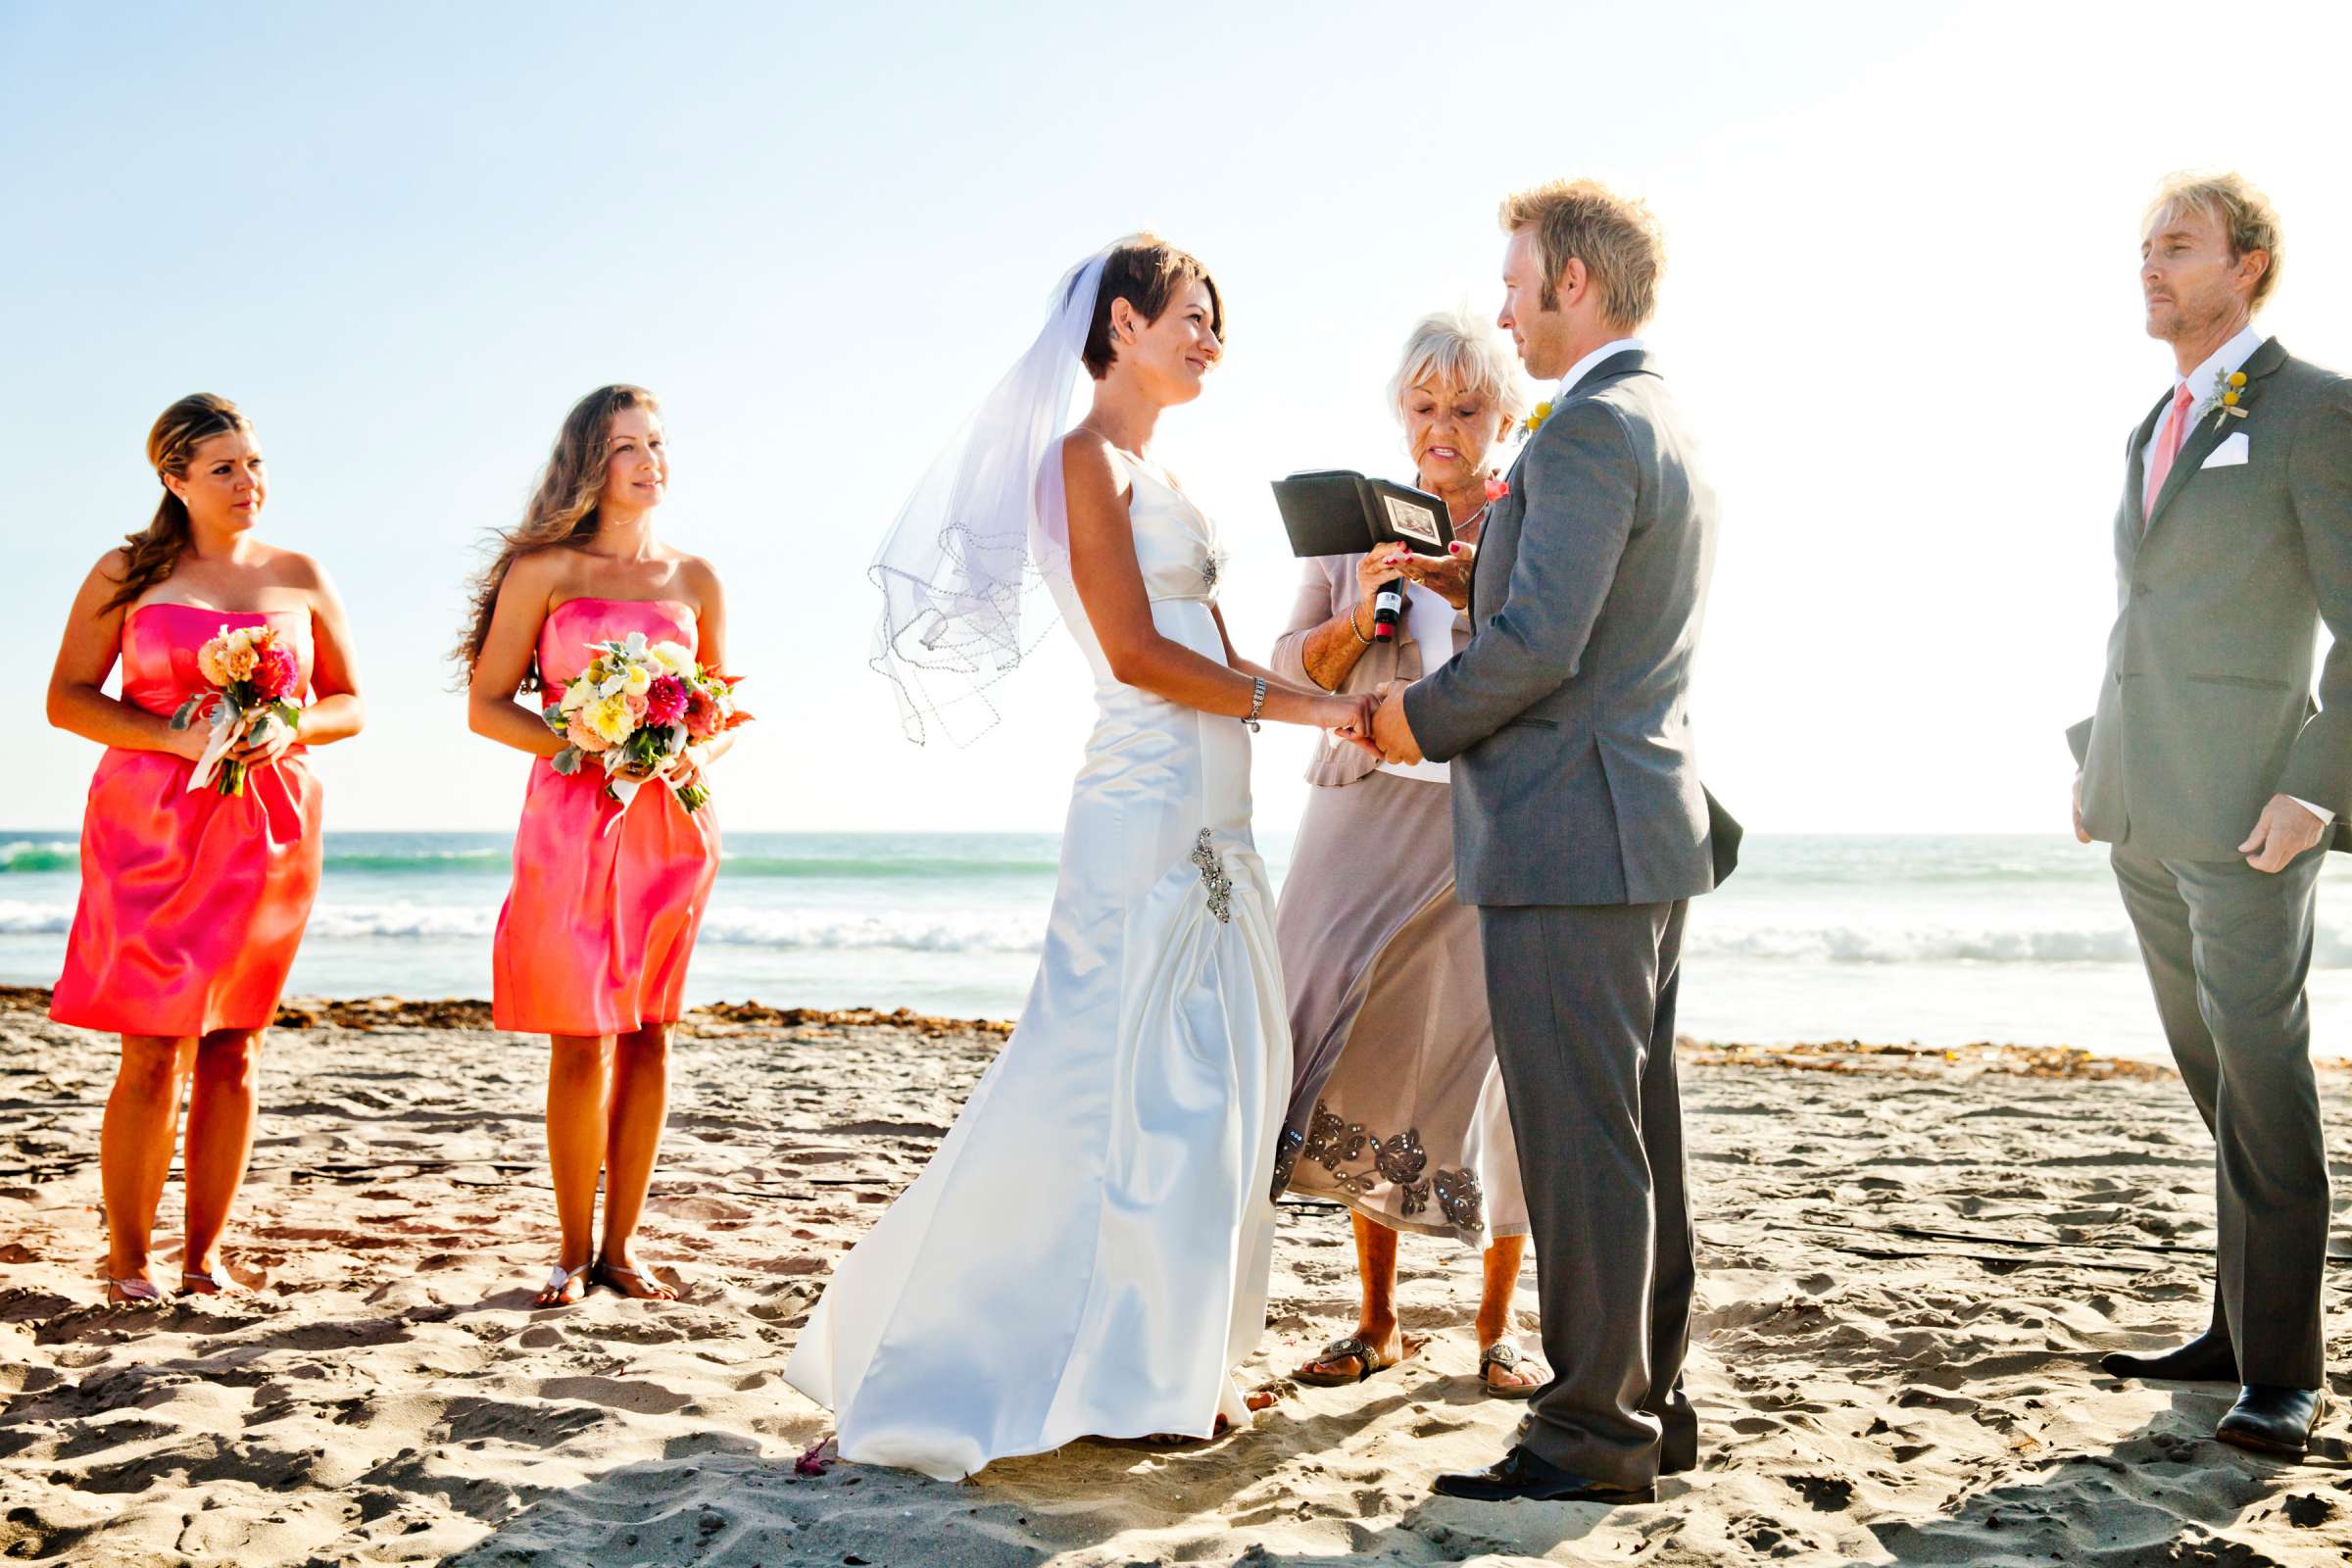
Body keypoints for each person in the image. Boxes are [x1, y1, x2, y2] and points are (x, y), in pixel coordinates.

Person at [786, 237, 1376, 1481]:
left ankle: (1169, 1365)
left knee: (1212, 1093)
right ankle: (943, 1359)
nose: (1212, 338)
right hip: (1144, 802)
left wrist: (1342, 668)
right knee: (1096, 1081)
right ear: (1122, 320)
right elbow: (1136, 656)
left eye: (1219, 322)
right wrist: (1312, 714)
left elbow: (1226, 659)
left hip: (1220, 807)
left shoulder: (1169, 479)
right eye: (1193, 317)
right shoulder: (1078, 463)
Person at [1369, 179, 1737, 1503]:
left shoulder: (1584, 431)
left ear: (1575, 281)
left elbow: (1542, 649)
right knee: (1633, 1131)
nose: (1508, 309)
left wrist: (1412, 721)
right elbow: (1588, 612)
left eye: (1519, 283)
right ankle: (1649, 1404)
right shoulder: (1658, 417)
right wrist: (1487, 575)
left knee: (1584, 1142)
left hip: (1571, 833)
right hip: (1637, 823)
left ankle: (1590, 1436)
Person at [2071, 172, 2351, 1458]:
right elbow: (2142, 622)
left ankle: (2285, 1373)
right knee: (2216, 1082)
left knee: (2268, 1081)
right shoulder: (2154, 425)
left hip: (2254, 814)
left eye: (2175, 246)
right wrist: (2099, 768)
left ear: (2247, 264)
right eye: (2143, 249)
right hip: (2147, 811)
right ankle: (2236, 1327)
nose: (2151, 266)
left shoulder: (2311, 412)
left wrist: (2317, 790)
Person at [1269, 310, 1543, 1397]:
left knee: (1500, 1069)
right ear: (1401, 413)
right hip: (1364, 805)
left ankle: (1498, 1328)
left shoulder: (1533, 516)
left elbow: (1553, 653)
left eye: (1467, 409)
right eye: (1425, 408)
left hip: (1493, 815)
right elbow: (1294, 664)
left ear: (1503, 415)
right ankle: (1377, 1321)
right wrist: (1364, 608)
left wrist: (1463, 587)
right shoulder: (1350, 527)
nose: (1444, 428)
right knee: (1351, 1049)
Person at [46, 393, 365, 1302]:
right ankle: (129, 1262)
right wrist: (179, 738)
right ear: (174, 479)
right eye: (224, 467)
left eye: (255, 462)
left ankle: (204, 1258)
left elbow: (352, 703)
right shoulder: (128, 570)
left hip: (265, 827)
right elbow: (69, 698)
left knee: (235, 1046)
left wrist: (287, 722)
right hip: (148, 824)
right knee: (152, 1044)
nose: (247, 482)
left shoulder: (300, 571)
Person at [459, 385, 732, 1307]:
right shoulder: (546, 572)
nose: (650, 460)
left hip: (670, 821)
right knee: (580, 1036)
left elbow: (722, 711)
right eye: (627, 447)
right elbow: (488, 705)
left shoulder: (695, 580)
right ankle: (571, 1251)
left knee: (652, 1033)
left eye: (657, 442)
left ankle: (623, 1249)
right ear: (590, 462)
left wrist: (684, 746)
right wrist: (585, 742)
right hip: (573, 819)